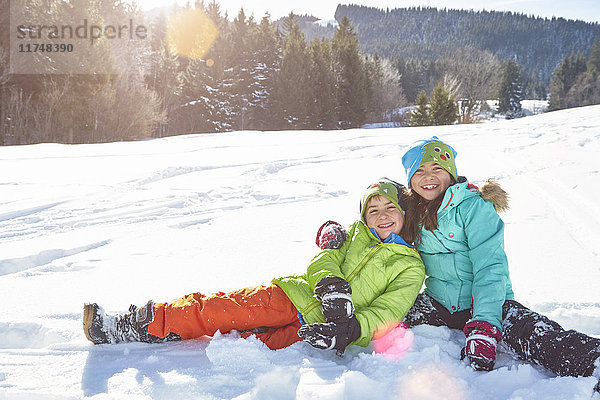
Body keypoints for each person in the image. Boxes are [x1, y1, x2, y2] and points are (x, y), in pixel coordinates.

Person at [319, 137, 600, 389]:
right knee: (384, 313)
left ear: (450, 173)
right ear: (410, 180)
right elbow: (379, 219)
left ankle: (593, 361)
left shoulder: (474, 207)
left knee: (535, 336)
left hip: (489, 304)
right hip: (438, 304)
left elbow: (490, 268)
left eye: (437, 169)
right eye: (419, 171)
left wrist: (485, 324)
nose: (428, 177)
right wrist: (337, 231)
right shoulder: (413, 210)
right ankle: (329, 329)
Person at [82, 179, 426, 356]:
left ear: (404, 213)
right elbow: (324, 258)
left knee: (235, 341)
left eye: (390, 208)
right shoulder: (353, 234)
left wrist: (350, 330)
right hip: (290, 297)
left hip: (311, 332)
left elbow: (388, 311)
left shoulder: (410, 267)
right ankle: (135, 323)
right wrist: (330, 283)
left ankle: (162, 332)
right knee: (218, 311)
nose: (381, 216)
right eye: (373, 209)